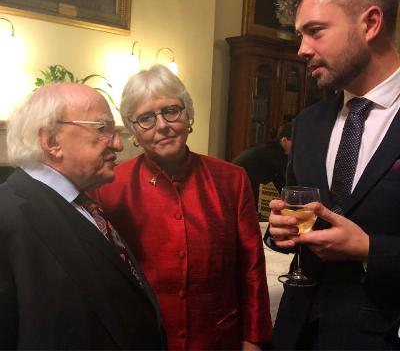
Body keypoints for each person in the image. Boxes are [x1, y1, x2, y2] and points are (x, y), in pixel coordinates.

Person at [265, 0, 400, 350]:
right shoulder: (308, 124)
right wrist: (280, 232)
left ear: (370, 23)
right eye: (299, 34)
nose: (302, 49)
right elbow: (298, 213)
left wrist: (369, 250)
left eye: (316, 31)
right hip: (298, 332)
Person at [95, 65, 272, 351]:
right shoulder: (109, 188)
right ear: (133, 132)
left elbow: (251, 267)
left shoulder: (231, 179)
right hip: (143, 339)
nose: (162, 125)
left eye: (171, 111)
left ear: (189, 116)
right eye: (146, 118)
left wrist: (253, 339)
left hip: (217, 339)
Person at [0, 83, 165, 350]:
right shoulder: (7, 216)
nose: (118, 144)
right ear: (52, 141)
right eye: (102, 129)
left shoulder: (85, 202)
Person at [233, 122, 293, 207]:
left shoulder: (268, 148)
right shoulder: (276, 153)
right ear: (284, 140)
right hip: (239, 190)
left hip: (236, 186)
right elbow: (286, 184)